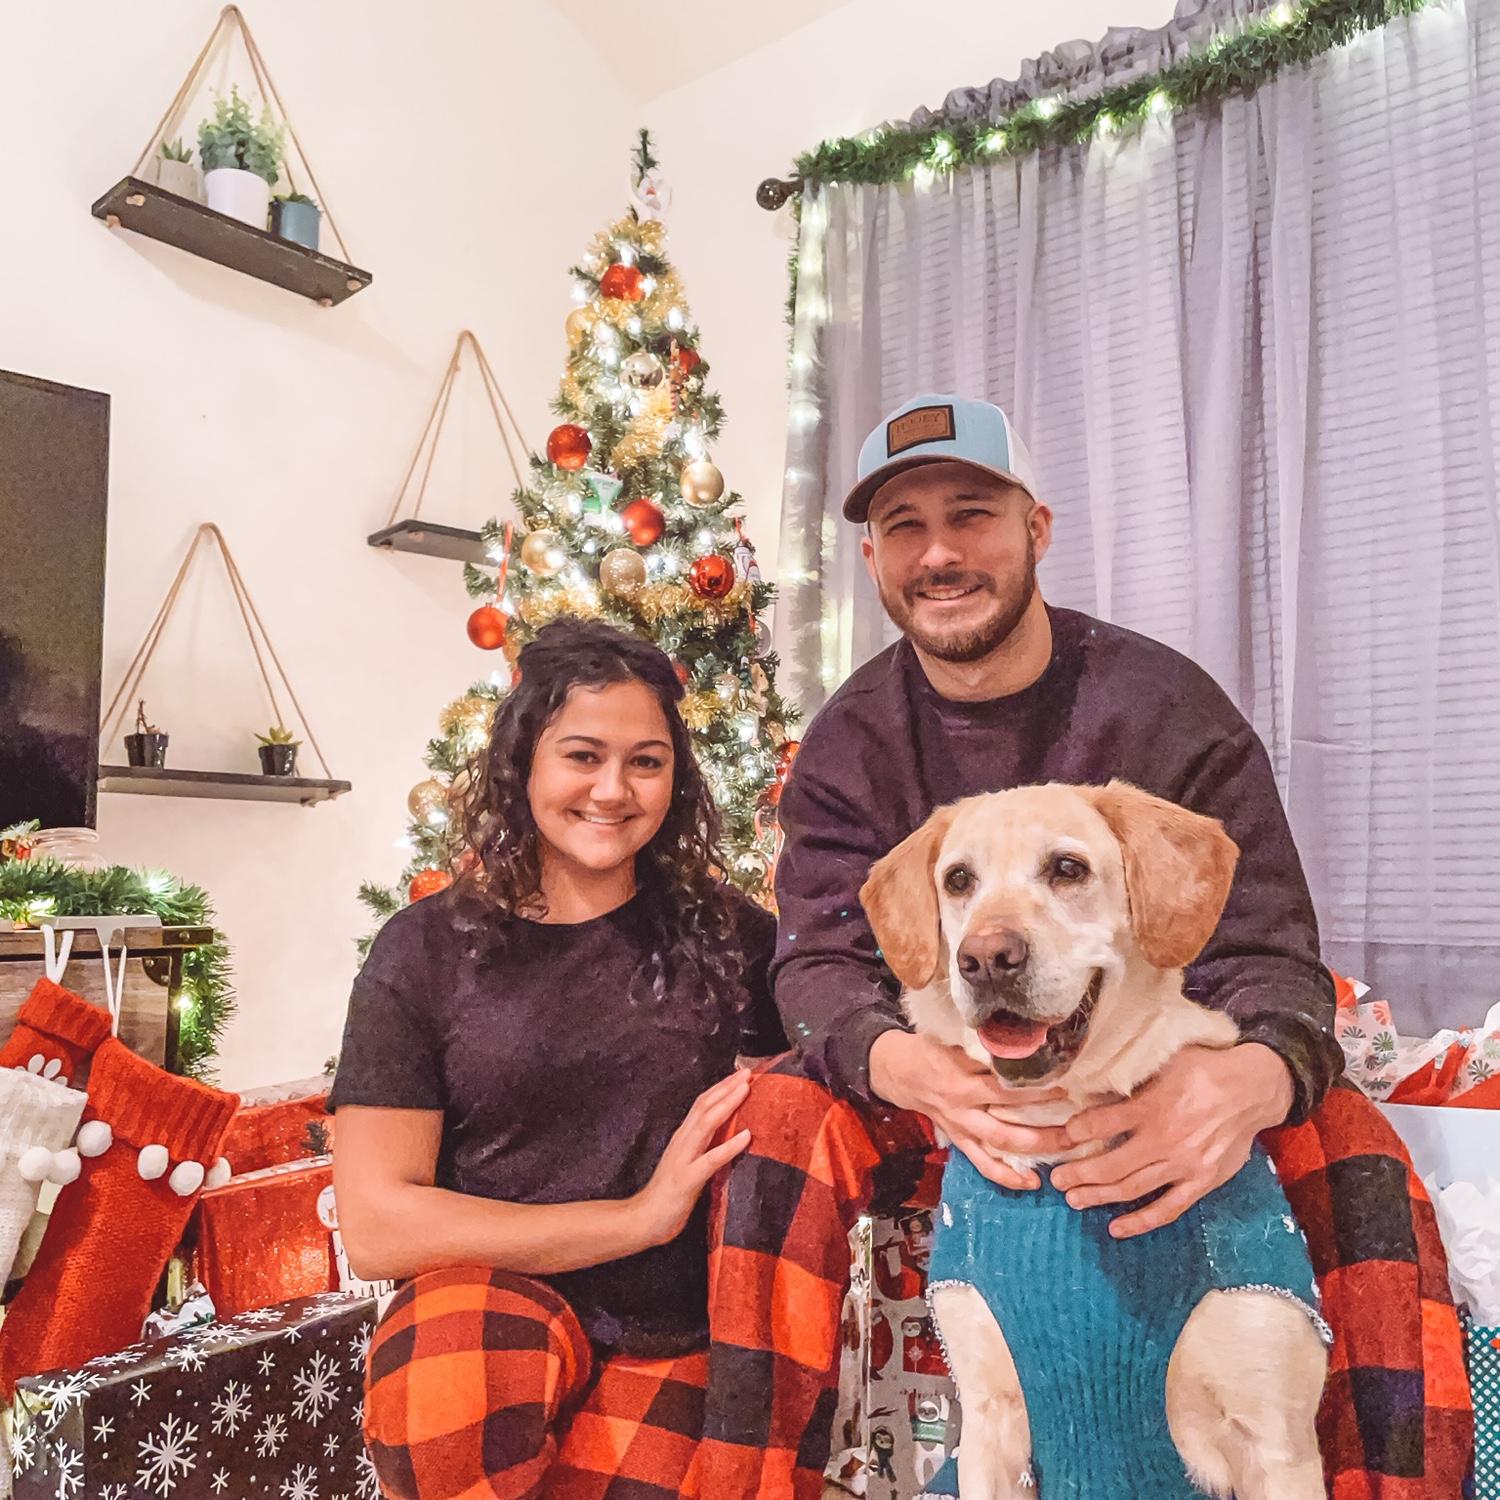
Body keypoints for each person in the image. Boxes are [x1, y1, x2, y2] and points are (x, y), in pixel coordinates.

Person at [686, 396, 1472, 1497]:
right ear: (871, 556)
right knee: (770, 1123)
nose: (942, 550)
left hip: (1143, 1057)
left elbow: (1270, 950)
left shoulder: (1166, 709)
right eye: (905, 526)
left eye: (973, 512)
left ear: (1037, 528)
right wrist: (912, 1069)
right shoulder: (850, 743)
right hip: (936, 1079)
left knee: (1356, 1145)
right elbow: (814, 965)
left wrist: (1246, 1080)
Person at [330, 618, 785, 1500]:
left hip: (673, 1325)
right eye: (583, 755)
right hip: (490, 1306)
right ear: (524, 764)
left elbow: (839, 1057)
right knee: (444, 1400)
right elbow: (379, 1224)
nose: (612, 789)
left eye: (646, 762)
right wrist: (637, 1218)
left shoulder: (732, 936)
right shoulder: (423, 950)